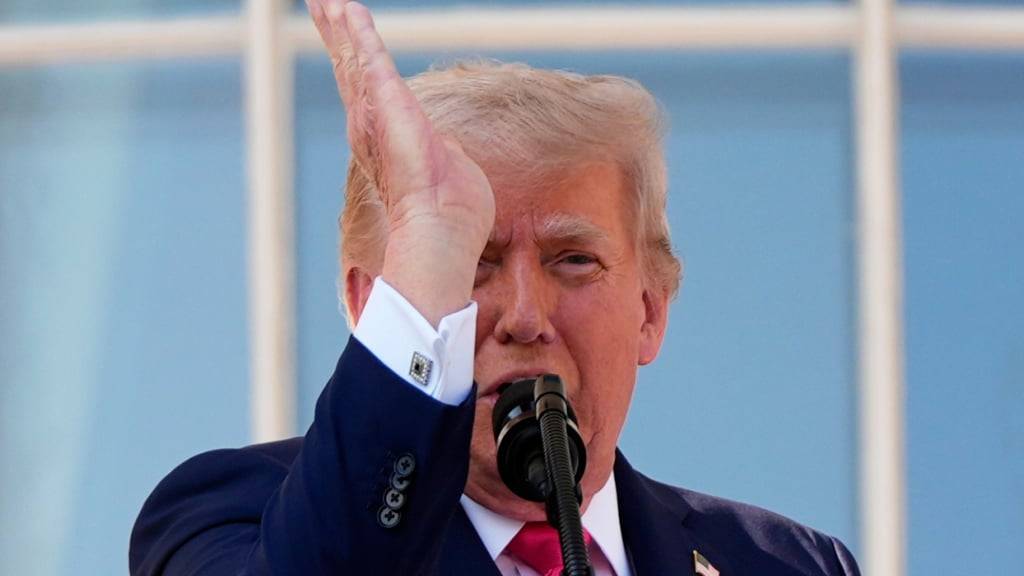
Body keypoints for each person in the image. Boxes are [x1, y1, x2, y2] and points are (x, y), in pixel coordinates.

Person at [129, 1, 861, 574]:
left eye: (573, 260)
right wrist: (426, 232)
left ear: (651, 311)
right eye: (470, 261)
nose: (524, 315)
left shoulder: (791, 563)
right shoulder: (231, 513)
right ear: (369, 305)